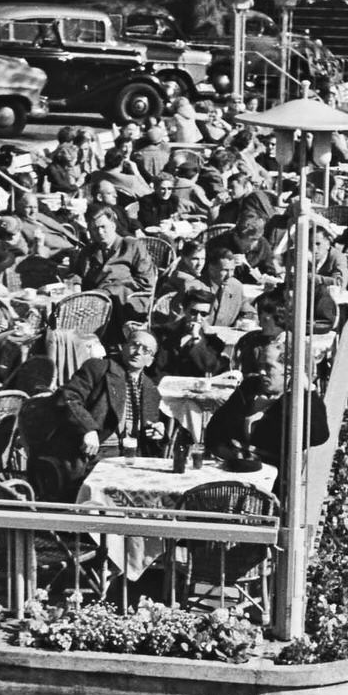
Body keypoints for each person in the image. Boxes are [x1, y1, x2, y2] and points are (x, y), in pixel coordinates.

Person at [43, 328, 165, 500]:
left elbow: (149, 439)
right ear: (123, 347)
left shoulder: (151, 389)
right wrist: (88, 428)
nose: (138, 351)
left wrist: (157, 433)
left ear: (150, 360)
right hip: (96, 451)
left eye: (146, 350)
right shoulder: (98, 368)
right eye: (135, 345)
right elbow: (68, 397)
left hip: (131, 456)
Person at [203, 343, 329, 472]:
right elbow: (215, 427)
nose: (261, 372)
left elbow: (318, 436)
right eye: (260, 366)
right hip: (233, 466)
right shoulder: (250, 387)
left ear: (289, 371)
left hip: (273, 475)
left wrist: (309, 390)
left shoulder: (296, 400)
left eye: (268, 367)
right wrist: (226, 451)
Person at [67, 206, 155, 304]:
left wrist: (111, 290)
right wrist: (76, 285)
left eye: (103, 227)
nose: (100, 232)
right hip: (93, 302)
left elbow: (146, 282)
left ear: (113, 226)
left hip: (127, 303)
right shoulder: (89, 250)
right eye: (95, 229)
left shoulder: (133, 246)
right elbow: (77, 273)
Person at [151, 287, 228, 380]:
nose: (198, 318)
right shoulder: (160, 332)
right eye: (193, 312)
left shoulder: (213, 342)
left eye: (203, 314)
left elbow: (209, 368)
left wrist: (196, 340)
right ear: (184, 309)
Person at [196, 247, 251, 328]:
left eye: (232, 270)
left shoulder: (236, 286)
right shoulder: (197, 287)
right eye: (225, 270)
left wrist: (243, 320)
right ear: (211, 269)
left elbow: (248, 311)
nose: (230, 275)